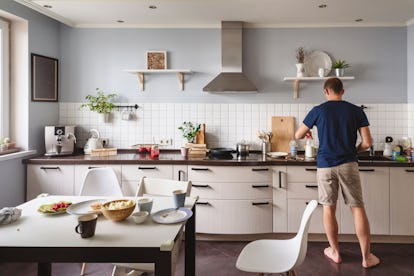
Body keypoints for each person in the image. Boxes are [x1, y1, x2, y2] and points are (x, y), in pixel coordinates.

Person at [294, 77, 380, 268]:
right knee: (357, 208)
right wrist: (354, 150)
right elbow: (367, 143)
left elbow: (298, 135)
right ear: (342, 91)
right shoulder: (356, 111)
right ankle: (366, 258)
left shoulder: (318, 110)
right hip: (349, 163)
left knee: (328, 208)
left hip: (325, 165)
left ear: (326, 91)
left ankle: (335, 252)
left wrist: (312, 132)